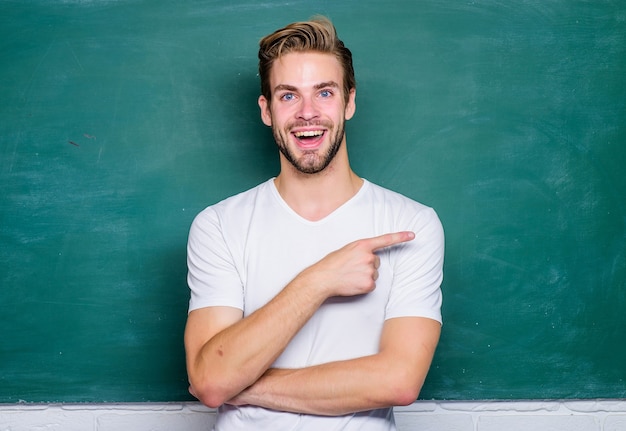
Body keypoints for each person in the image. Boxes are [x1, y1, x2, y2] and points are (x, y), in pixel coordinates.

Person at [184, 16, 444, 431]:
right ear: (267, 111)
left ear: (349, 102)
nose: (308, 113)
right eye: (289, 96)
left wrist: (240, 383)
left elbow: (399, 381)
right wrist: (319, 280)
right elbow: (211, 380)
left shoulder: (411, 224)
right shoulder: (218, 226)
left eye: (324, 92)